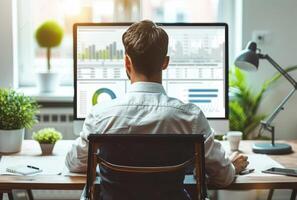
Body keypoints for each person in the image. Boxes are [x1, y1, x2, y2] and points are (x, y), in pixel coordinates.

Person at [66, 20, 249, 199]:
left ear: (127, 63)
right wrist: (231, 166)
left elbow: (74, 164)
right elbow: (223, 177)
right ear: (165, 63)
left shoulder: (100, 116)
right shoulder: (191, 117)